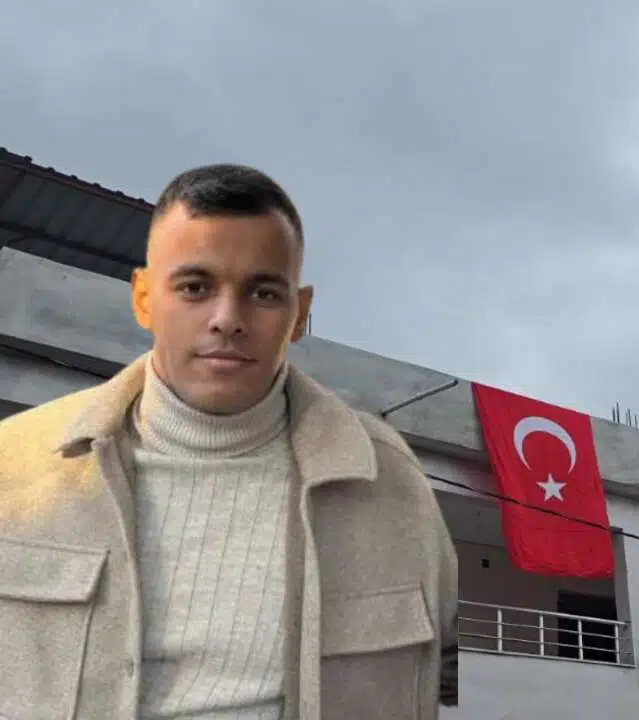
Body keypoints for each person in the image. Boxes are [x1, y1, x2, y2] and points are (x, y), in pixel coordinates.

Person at [0, 164, 458, 718]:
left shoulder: (391, 484)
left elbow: (447, 676)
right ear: (143, 299)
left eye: (263, 293)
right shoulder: (14, 467)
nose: (227, 319)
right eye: (195, 287)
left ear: (299, 314)